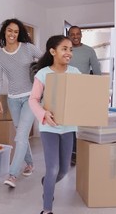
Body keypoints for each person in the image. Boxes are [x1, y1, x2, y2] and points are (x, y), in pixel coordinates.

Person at [29, 35, 81, 214]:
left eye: (71, 49)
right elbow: (33, 100)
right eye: (64, 49)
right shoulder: (43, 74)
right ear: (53, 51)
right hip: (49, 128)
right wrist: (43, 114)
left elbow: (82, 96)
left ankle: (46, 183)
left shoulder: (75, 72)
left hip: (68, 128)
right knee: (52, 168)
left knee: (64, 171)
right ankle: (47, 208)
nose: (69, 53)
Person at [0, 18, 42, 188]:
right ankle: (30, 164)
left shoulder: (28, 48)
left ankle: (12, 174)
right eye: (9, 30)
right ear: (4, 32)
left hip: (31, 97)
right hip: (13, 99)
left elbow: (44, 60)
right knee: (21, 135)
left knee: (21, 136)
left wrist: (40, 78)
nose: (12, 34)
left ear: (19, 33)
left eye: (15, 31)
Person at [67, 25, 102, 165]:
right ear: (68, 35)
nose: (75, 36)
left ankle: (82, 151)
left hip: (83, 91)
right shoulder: (65, 50)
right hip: (67, 91)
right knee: (69, 124)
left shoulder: (89, 51)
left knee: (81, 124)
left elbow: (97, 72)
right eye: (72, 34)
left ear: (81, 35)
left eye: (77, 34)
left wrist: (96, 92)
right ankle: (71, 153)